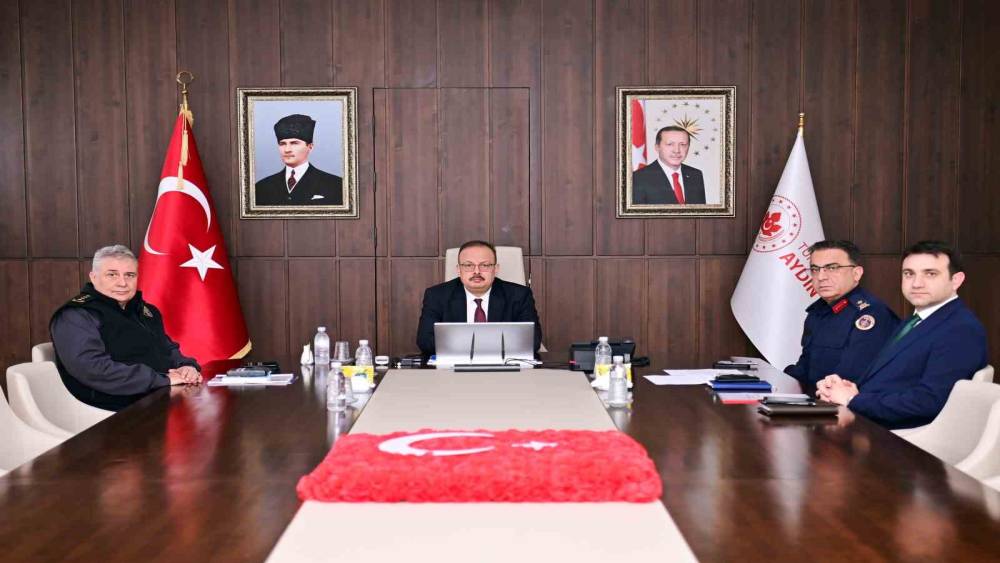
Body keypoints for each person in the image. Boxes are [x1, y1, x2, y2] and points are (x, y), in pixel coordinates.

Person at [817, 241, 988, 429]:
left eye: (930, 274)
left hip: (900, 438)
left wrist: (853, 399)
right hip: (872, 421)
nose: (916, 283)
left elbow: (928, 402)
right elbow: (895, 378)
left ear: (956, 280)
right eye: (909, 274)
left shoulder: (960, 329)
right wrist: (847, 389)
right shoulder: (915, 320)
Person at [50, 245, 203, 411]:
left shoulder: (146, 311)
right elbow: (92, 368)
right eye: (112, 275)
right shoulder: (77, 315)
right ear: (93, 277)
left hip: (157, 398)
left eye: (130, 275)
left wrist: (186, 367)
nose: (122, 283)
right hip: (110, 409)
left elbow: (167, 349)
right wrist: (161, 379)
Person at [784, 240, 899, 394]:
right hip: (817, 400)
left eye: (832, 268)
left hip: (849, 405)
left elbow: (848, 379)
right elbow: (805, 369)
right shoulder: (817, 312)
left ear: (856, 273)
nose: (821, 277)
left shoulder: (870, 315)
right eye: (815, 269)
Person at [416, 240, 542, 358]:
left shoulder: (519, 295)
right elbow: (425, 341)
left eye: (485, 265)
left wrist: (463, 344)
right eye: (468, 265)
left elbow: (532, 341)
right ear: (458, 270)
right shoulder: (437, 296)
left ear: (495, 269)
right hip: (453, 366)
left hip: (503, 366)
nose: (476, 271)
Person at [254, 114, 344, 206]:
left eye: (294, 143)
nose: (287, 149)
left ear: (310, 147)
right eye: (282, 144)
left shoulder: (336, 185)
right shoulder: (262, 187)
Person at [631, 125, 706, 205]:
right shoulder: (638, 178)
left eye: (683, 144)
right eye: (670, 144)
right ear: (657, 147)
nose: (677, 150)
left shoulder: (695, 175)